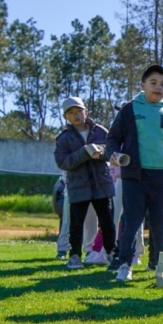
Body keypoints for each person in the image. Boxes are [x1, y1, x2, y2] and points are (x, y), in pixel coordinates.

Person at [106, 65, 163, 281]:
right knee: (131, 221)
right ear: (142, 85)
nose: (158, 87)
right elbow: (113, 138)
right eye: (153, 83)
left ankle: (158, 264)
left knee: (161, 223)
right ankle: (124, 264)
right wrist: (113, 154)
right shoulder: (129, 109)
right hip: (135, 176)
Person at [53, 97, 116, 270]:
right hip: (78, 186)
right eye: (71, 113)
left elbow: (112, 151)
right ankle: (74, 256)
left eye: (79, 111)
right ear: (66, 117)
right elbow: (63, 162)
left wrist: (100, 152)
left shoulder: (101, 131)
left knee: (107, 222)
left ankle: (111, 254)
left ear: (86, 112)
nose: (76, 115)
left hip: (102, 185)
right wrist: (85, 152)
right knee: (76, 223)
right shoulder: (64, 138)